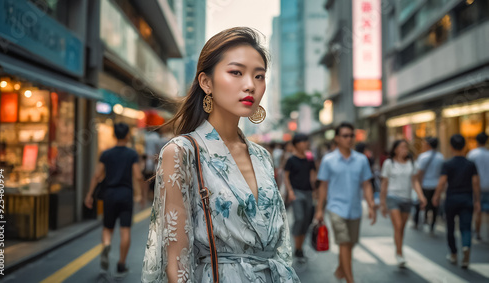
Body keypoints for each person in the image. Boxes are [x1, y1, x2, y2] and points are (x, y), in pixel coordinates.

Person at [141, 27, 299, 283]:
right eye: (236, 72)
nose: (250, 85)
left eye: (259, 76)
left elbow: (280, 250)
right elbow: (177, 262)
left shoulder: (261, 156)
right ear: (206, 82)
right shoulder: (181, 151)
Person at [314, 122, 376, 283]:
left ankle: (341, 269)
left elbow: (367, 184)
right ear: (337, 138)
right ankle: (350, 280)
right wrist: (319, 209)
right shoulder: (328, 160)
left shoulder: (362, 160)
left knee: (351, 243)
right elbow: (323, 186)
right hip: (336, 208)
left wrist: (371, 205)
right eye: (345, 136)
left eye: (351, 135)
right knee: (344, 242)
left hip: (355, 208)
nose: (349, 139)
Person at [84, 123, 144, 277]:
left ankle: (106, 245)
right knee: (125, 230)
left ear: (114, 135)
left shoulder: (106, 154)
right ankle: (121, 266)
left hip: (109, 195)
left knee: (107, 228)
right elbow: (137, 176)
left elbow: (97, 175)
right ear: (127, 136)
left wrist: (89, 194)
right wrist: (143, 195)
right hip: (125, 195)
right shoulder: (131, 154)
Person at [433, 134, 480, 269]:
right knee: (466, 227)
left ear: (451, 147)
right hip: (467, 198)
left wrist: (436, 196)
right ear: (464, 146)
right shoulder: (470, 164)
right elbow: (475, 183)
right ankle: (466, 248)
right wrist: (476, 200)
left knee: (451, 227)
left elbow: (442, 182)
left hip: (452, 198)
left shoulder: (447, 164)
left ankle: (453, 253)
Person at [380, 140, 426, 267]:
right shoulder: (389, 163)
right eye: (401, 147)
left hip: (407, 199)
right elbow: (384, 183)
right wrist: (383, 203)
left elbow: (415, 181)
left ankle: (399, 249)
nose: (403, 149)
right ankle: (399, 253)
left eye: (405, 147)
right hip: (393, 197)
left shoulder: (412, 163)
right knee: (398, 226)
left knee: (402, 228)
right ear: (395, 149)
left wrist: (421, 196)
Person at [284, 133, 317, 262]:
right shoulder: (291, 160)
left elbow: (313, 174)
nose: (305, 144)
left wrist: (315, 190)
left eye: (306, 142)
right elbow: (286, 177)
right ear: (296, 144)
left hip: (308, 193)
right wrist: (290, 191)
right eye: (302, 142)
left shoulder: (309, 158)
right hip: (297, 192)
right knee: (300, 218)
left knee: (307, 221)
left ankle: (300, 248)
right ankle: (296, 247)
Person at [413, 137, 444, 233]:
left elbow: (419, 172)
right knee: (435, 205)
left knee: (421, 203)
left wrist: (417, 183)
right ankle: (432, 225)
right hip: (436, 185)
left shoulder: (423, 157)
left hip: (425, 184)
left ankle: (416, 222)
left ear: (428, 145)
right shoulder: (441, 157)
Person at [467, 132, 489, 240]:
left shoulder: (472, 154)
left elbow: (468, 172)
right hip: (488, 186)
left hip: (476, 187)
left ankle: (478, 233)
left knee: (477, 210)